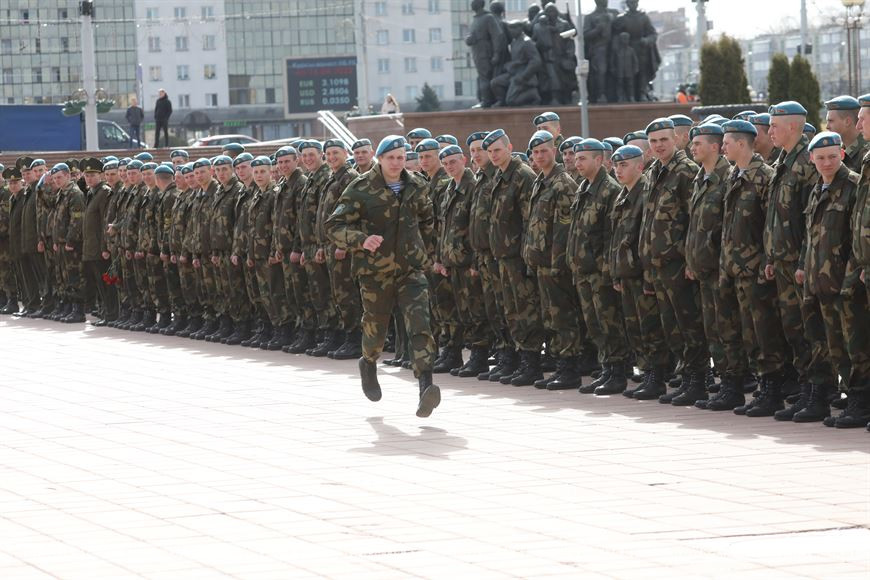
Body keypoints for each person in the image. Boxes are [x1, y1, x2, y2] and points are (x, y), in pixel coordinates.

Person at [325, 135, 440, 418]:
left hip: (410, 270)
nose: (396, 163)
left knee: (420, 325)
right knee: (375, 329)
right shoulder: (360, 188)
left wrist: (424, 253)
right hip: (375, 272)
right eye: (391, 158)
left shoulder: (417, 185)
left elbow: (428, 221)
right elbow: (334, 226)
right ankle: (368, 362)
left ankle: (426, 385)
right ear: (380, 158)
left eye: (401, 157)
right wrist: (361, 240)